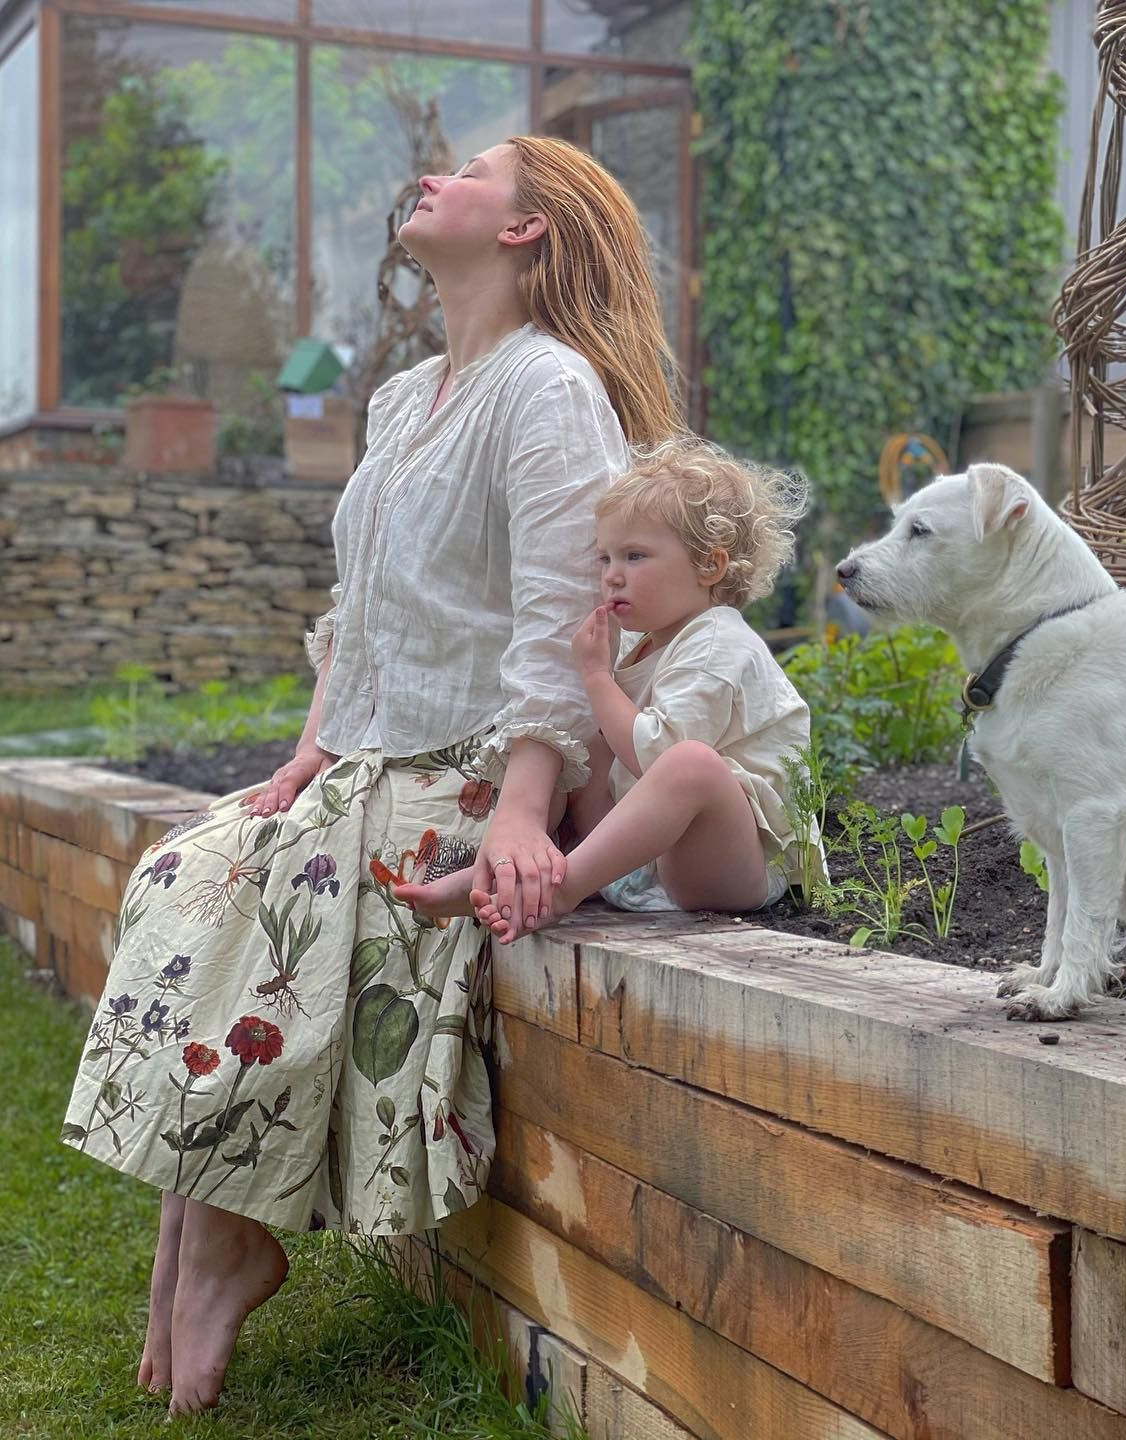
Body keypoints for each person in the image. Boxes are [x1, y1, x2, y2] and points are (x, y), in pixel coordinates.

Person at [61, 135, 678, 1417]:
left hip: (469, 767)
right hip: (370, 755)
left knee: (265, 907)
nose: (434, 179)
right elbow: (364, 606)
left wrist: (523, 807)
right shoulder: (403, 398)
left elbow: (562, 617)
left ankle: (219, 1244)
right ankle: (202, 1228)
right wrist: (309, 750)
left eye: (470, 171)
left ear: (524, 228)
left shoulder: (549, 387)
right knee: (187, 872)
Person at [398, 436, 818, 938]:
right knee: (584, 748)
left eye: (635, 556)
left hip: (739, 865)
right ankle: (523, 872)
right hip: (664, 860)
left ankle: (561, 886)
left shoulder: (716, 643)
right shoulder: (649, 643)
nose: (613, 577)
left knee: (690, 764)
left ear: (710, 565)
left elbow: (656, 756)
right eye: (605, 559)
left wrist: (596, 677)